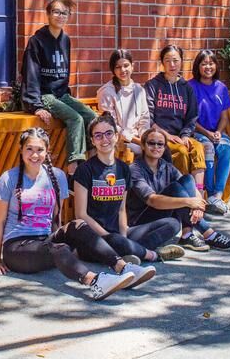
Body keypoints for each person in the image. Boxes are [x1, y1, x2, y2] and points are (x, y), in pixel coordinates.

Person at [0, 127, 141, 300]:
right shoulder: (8, 178)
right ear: (21, 150)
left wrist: (62, 236)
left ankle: (122, 267)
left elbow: (57, 217)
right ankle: (96, 282)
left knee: (78, 225)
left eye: (40, 150)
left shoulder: (57, 175)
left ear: (47, 151)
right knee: (59, 249)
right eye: (29, 149)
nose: (34, 154)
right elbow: (0, 222)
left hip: (44, 240)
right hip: (17, 248)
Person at [73, 113, 179, 265]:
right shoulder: (84, 170)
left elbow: (122, 210)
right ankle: (151, 254)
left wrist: (123, 236)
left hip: (119, 233)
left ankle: (128, 252)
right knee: (115, 240)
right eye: (98, 135)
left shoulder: (123, 169)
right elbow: (81, 214)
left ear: (116, 136)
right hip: (95, 236)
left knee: (173, 223)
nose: (104, 139)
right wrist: (109, 236)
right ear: (92, 141)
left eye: (109, 133)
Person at [129, 127, 230, 251]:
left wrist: (196, 205)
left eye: (160, 144)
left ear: (164, 147)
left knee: (187, 179)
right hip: (141, 222)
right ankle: (209, 234)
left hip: (162, 215)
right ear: (143, 146)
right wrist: (189, 202)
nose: (156, 147)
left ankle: (187, 233)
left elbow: (189, 185)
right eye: (151, 143)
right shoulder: (135, 169)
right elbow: (152, 200)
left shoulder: (165, 166)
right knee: (175, 188)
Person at [21, 0, 96, 175]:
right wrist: (36, 106)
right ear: (48, 14)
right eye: (56, 12)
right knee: (75, 119)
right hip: (45, 95)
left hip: (61, 94)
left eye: (64, 13)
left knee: (92, 117)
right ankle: (74, 168)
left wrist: (67, 96)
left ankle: (95, 163)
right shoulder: (36, 41)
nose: (60, 16)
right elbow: (29, 75)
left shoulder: (66, 40)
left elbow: (65, 72)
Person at [144, 45, 206, 191]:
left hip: (180, 136)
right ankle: (183, 193)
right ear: (162, 63)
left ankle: (198, 192)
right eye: (168, 61)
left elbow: (192, 117)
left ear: (181, 61)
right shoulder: (153, 85)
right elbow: (149, 118)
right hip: (160, 136)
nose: (172, 65)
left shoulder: (186, 87)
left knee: (197, 147)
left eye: (175, 60)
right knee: (182, 151)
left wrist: (185, 136)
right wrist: (167, 135)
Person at [188, 49, 230, 215]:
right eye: (204, 63)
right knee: (208, 147)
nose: (208, 66)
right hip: (197, 131)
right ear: (197, 66)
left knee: (226, 148)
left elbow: (225, 117)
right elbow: (191, 118)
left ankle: (217, 196)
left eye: (211, 63)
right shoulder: (190, 87)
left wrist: (219, 132)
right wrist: (207, 133)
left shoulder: (221, 88)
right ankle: (209, 192)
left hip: (216, 132)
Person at [96, 49, 150, 157]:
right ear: (113, 70)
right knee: (144, 151)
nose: (123, 70)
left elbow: (144, 119)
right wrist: (138, 141)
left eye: (126, 65)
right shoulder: (107, 92)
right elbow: (111, 125)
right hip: (120, 141)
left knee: (163, 149)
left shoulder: (139, 90)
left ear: (132, 66)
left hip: (139, 139)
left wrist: (145, 138)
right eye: (118, 67)